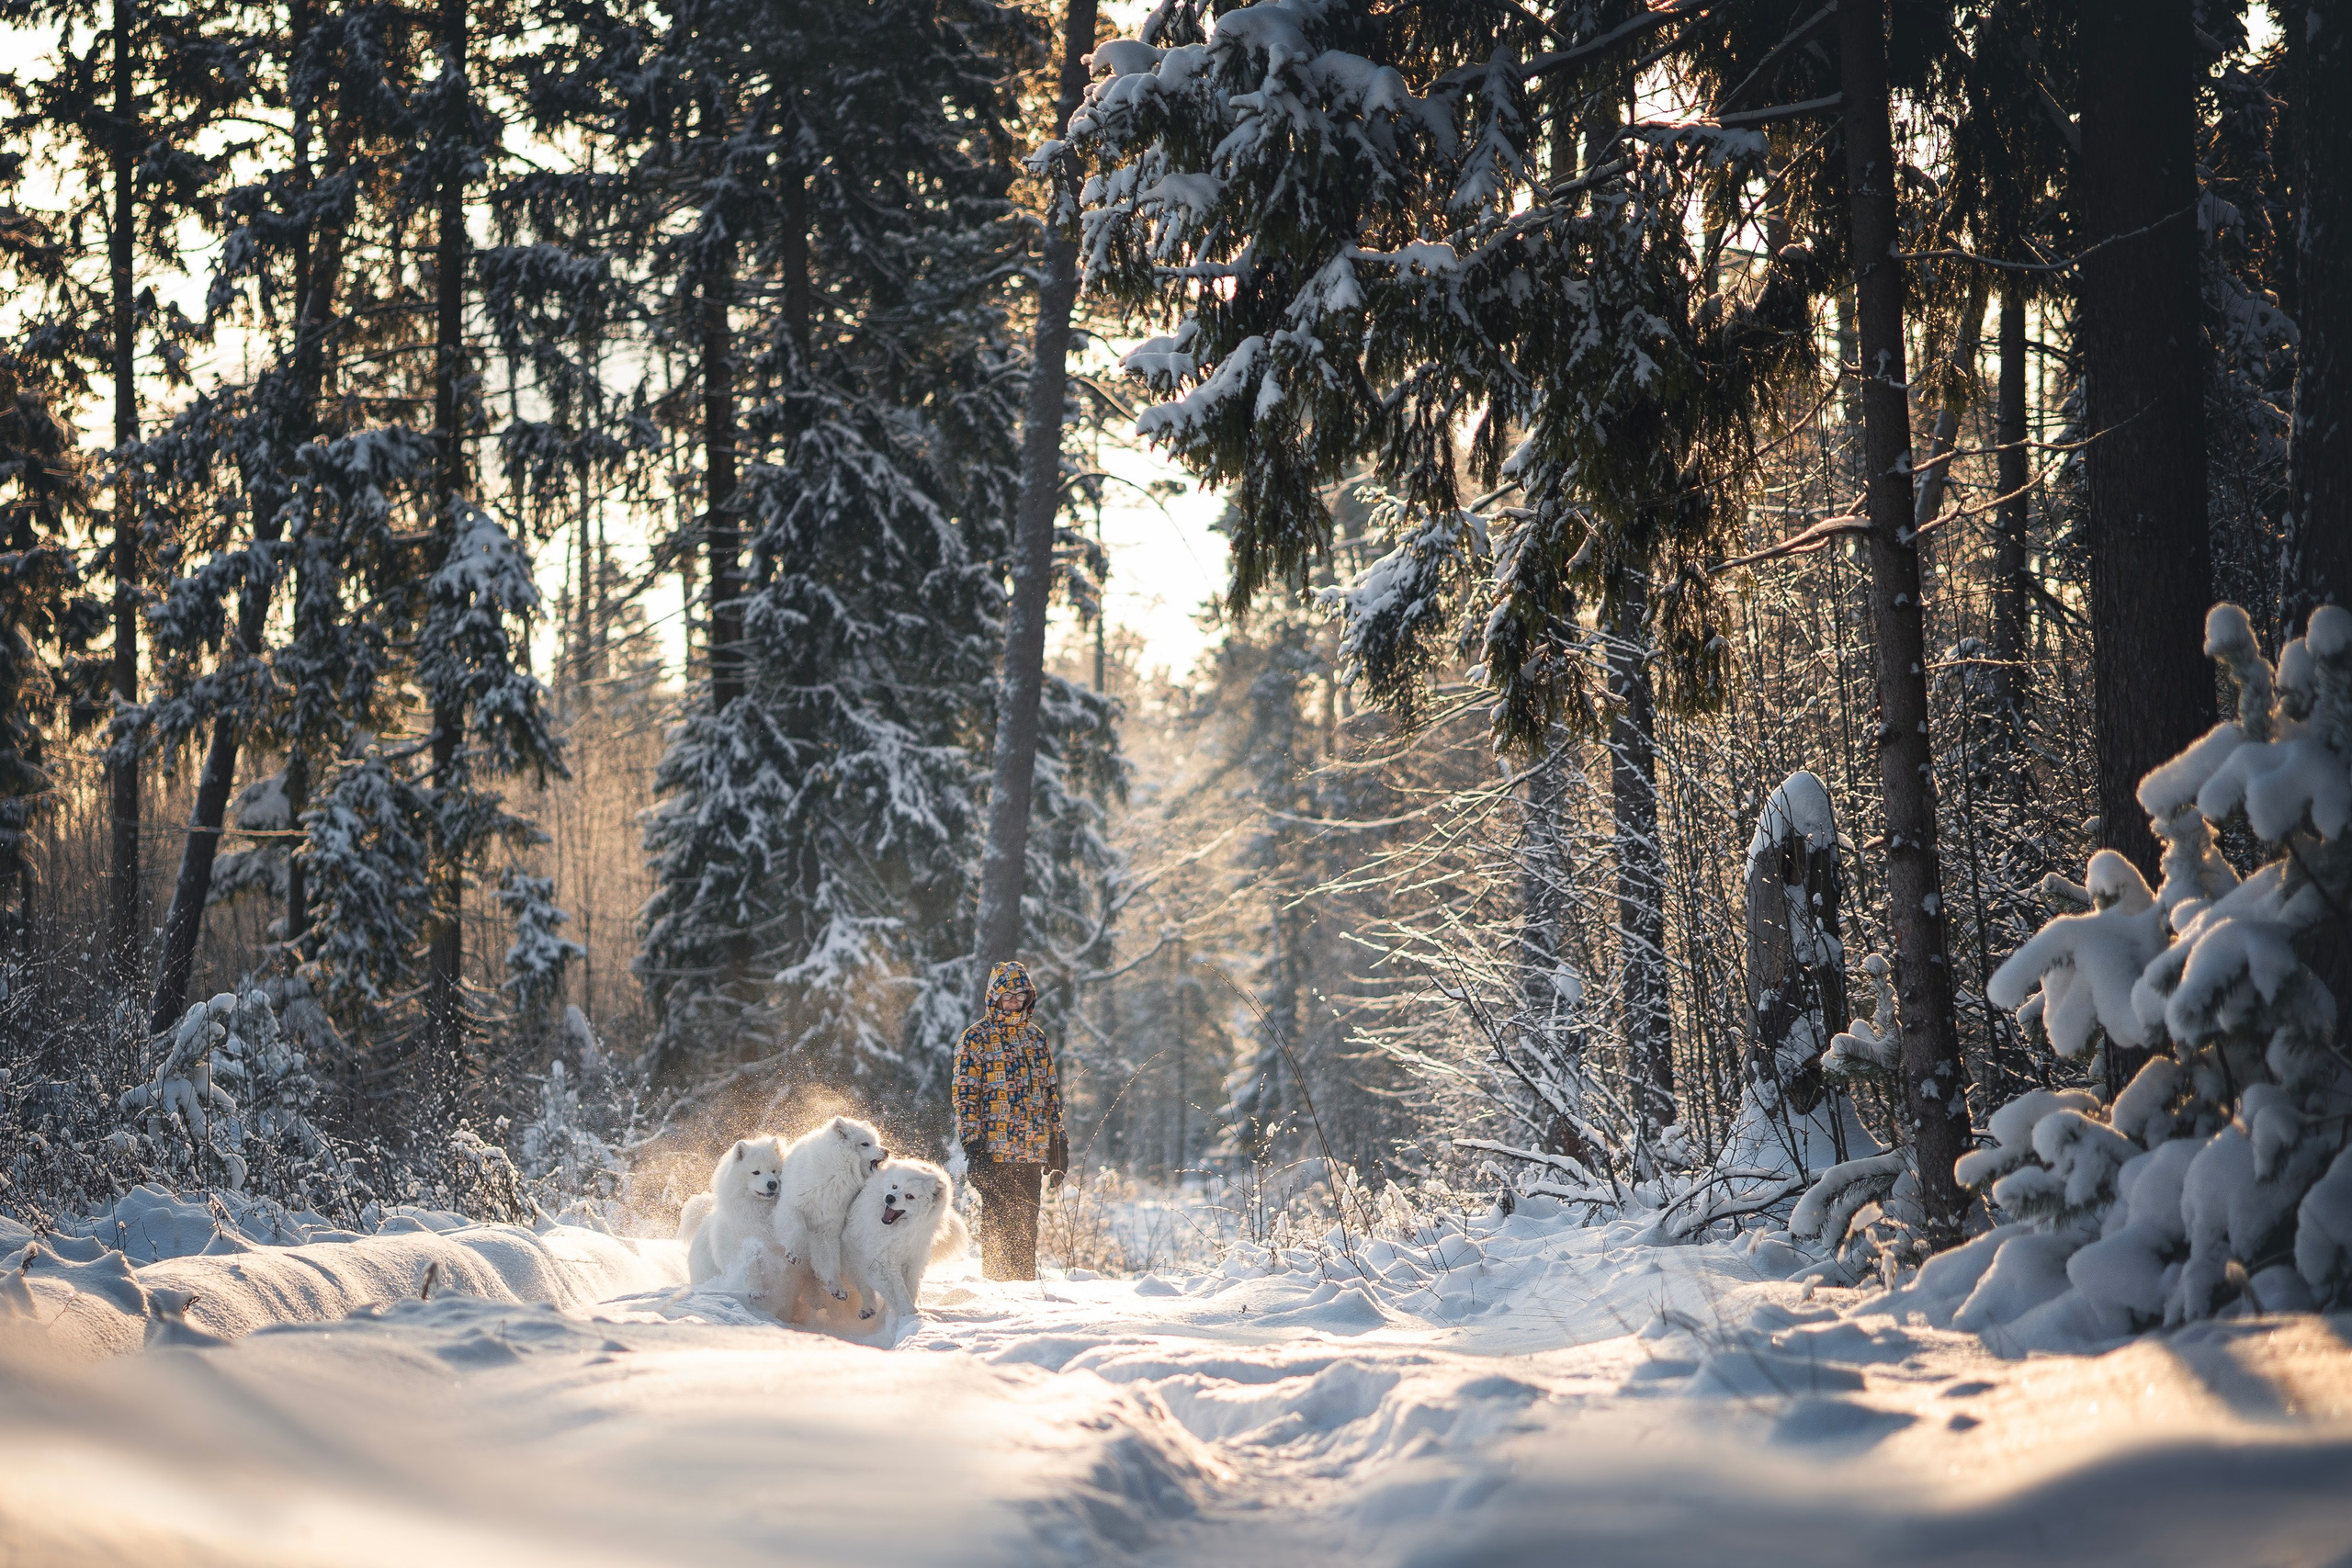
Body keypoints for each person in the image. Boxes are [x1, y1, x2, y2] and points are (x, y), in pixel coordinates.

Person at [952, 960, 1068, 1280]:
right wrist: (973, 1146)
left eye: (1021, 994)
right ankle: (998, 1300)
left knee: (1025, 1232)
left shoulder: (1036, 1039)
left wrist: (1057, 1139)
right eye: (1008, 995)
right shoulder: (975, 1038)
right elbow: (965, 1096)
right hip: (993, 1153)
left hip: (1031, 1152)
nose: (1015, 1001)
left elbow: (1049, 1092)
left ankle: (1023, 1306)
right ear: (994, 997)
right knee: (999, 1231)